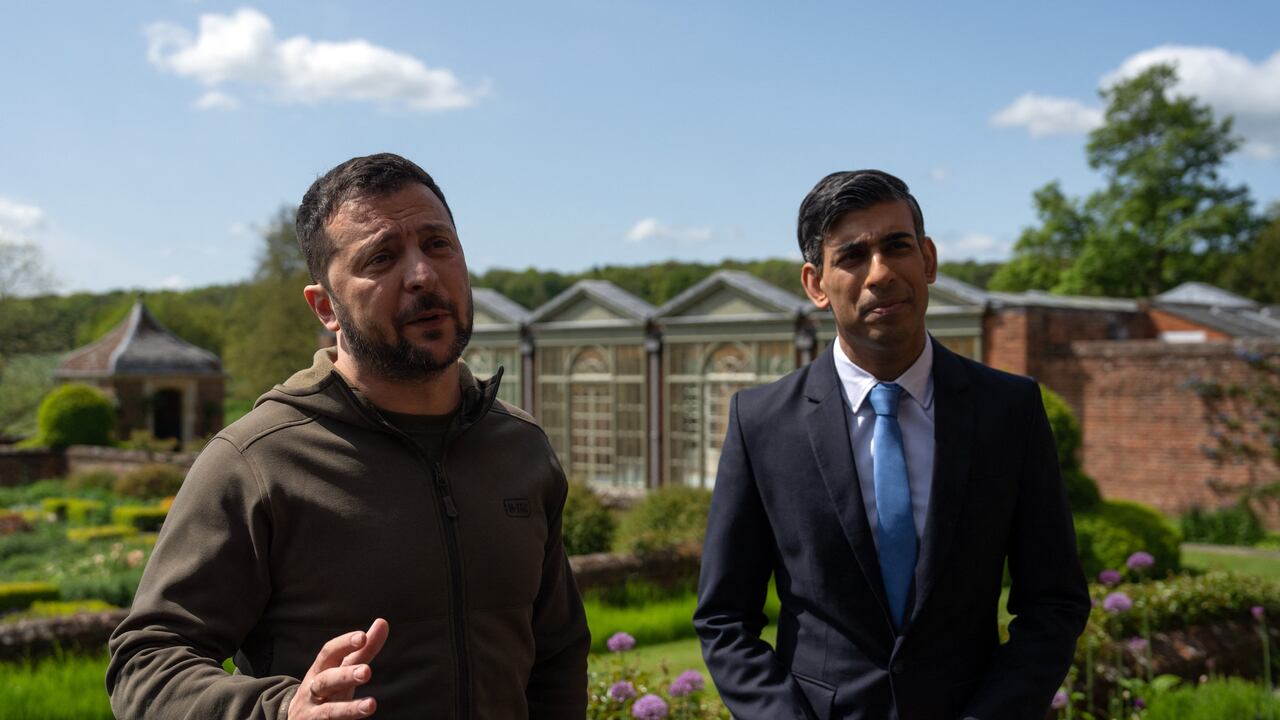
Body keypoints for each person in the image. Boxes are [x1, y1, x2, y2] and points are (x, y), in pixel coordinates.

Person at [107, 153, 590, 719]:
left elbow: (557, 652)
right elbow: (146, 665)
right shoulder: (258, 461)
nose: (423, 276)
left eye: (438, 245)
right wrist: (281, 711)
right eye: (380, 258)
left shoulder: (521, 446)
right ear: (325, 308)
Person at [693, 170, 1090, 720]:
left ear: (927, 259)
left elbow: (1053, 601)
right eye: (852, 256)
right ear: (816, 284)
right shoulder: (761, 423)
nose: (880, 273)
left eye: (897, 246)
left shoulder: (1009, 411)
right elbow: (724, 618)